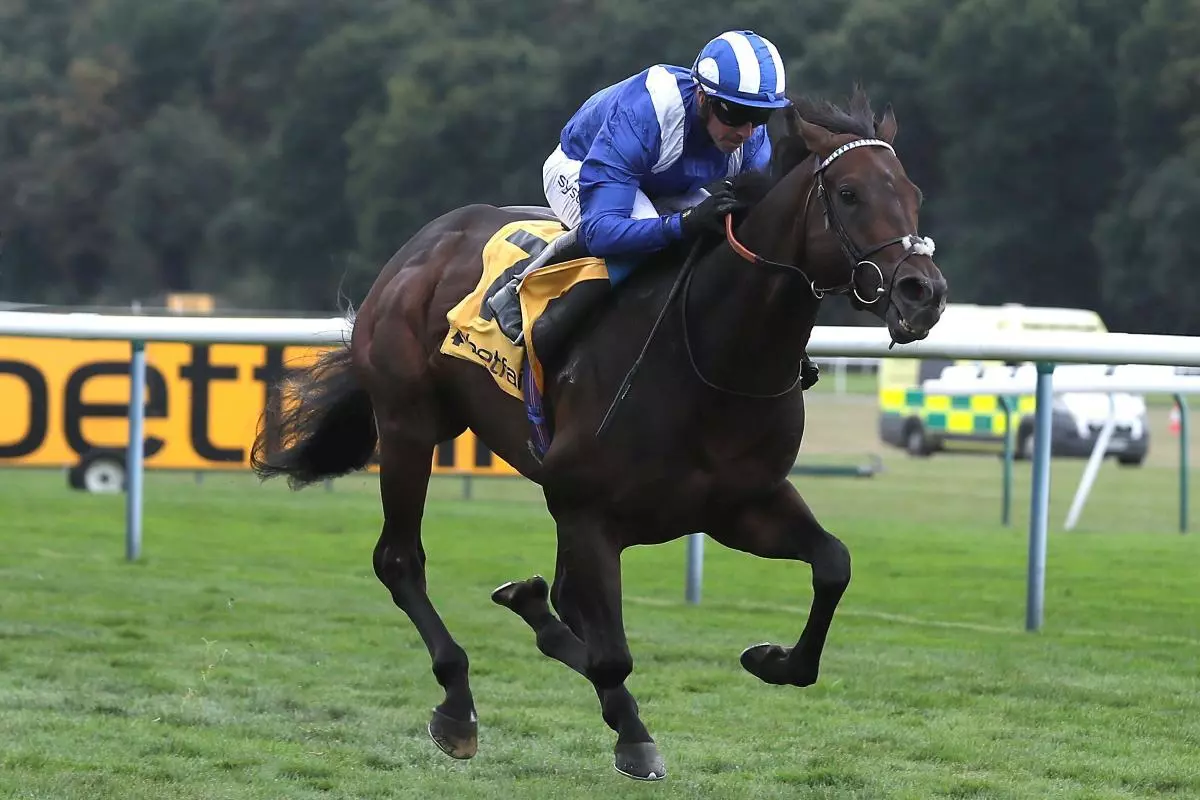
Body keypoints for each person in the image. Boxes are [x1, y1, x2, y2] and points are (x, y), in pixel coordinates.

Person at [486, 29, 819, 388]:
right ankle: (527, 306)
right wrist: (683, 225)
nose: (746, 131)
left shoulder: (751, 140)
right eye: (736, 114)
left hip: (662, 182)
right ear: (704, 98)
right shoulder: (646, 113)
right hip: (580, 167)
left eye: (760, 117)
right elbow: (602, 232)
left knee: (729, 240)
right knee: (647, 241)